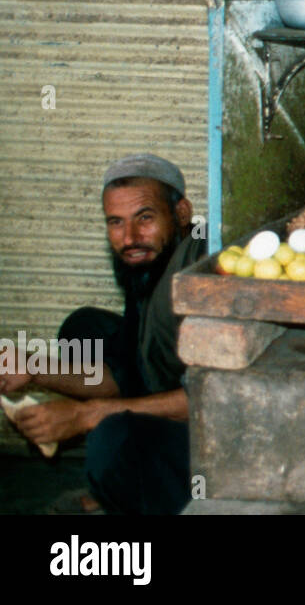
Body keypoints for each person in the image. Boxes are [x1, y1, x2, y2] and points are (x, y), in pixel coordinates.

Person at [0, 155, 203, 514]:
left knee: (112, 440)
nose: (129, 238)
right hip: (169, 391)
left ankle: (117, 497)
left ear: (182, 214)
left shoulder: (199, 272)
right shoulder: (147, 266)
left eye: (145, 218)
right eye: (116, 222)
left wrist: (86, 415)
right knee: (83, 331)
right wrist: (33, 367)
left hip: (215, 442)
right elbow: (123, 377)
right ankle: (119, 487)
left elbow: (212, 397)